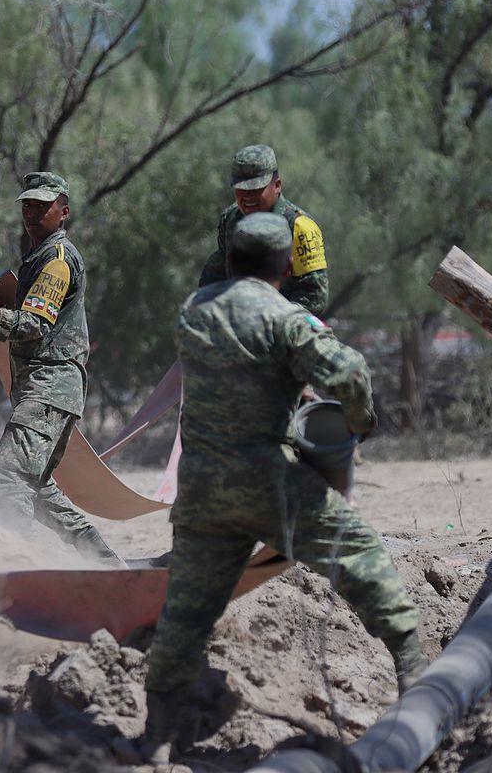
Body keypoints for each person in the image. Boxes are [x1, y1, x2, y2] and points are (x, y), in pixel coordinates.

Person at [141, 212, 425, 761]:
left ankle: (157, 734)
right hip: (265, 478)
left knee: (187, 610)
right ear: (287, 264)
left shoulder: (192, 311)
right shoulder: (286, 318)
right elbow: (349, 375)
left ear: (229, 259)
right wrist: (360, 424)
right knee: (361, 553)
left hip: (198, 484)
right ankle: (414, 671)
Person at [0, 172, 121, 565]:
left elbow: (34, 325)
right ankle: (108, 565)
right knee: (39, 489)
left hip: (50, 385)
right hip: (48, 387)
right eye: (27, 205)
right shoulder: (38, 256)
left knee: (7, 476)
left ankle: (25, 563)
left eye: (41, 206)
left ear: (62, 212)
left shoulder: (56, 260)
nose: (32, 212)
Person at [199, 144, 328, 315]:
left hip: (282, 330)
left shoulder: (300, 227)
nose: (248, 195)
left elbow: (314, 296)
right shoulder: (230, 219)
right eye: (241, 188)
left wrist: (274, 324)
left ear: (277, 186)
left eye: (257, 188)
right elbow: (216, 273)